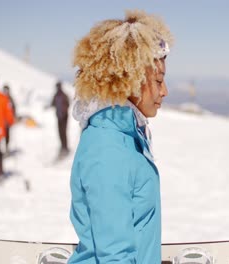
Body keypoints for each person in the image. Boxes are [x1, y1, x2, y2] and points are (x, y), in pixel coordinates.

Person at [68, 10, 173, 264]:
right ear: (132, 82)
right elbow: (114, 255)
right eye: (158, 81)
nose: (165, 91)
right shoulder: (108, 148)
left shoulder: (126, 136)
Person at [50, 81, 70, 156]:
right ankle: (62, 146)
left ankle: (65, 147)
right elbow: (52, 104)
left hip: (64, 117)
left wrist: (64, 111)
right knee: (60, 132)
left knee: (63, 131)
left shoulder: (64, 95)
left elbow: (68, 104)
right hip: (59, 116)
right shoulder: (56, 96)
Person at [2, 85, 16, 154]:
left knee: (7, 135)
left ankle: (6, 148)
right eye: (4, 90)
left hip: (7, 121)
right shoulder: (0, 98)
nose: (5, 92)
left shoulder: (10, 99)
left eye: (6, 90)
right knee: (0, 136)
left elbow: (14, 109)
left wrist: (13, 118)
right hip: (1, 121)